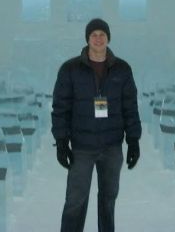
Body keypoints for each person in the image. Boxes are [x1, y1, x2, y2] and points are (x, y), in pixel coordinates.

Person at [51, 18, 142, 232]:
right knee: (75, 200)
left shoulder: (122, 69)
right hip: (82, 147)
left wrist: (134, 140)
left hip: (112, 147)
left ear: (108, 38)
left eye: (102, 34)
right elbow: (60, 108)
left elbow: (130, 107)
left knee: (108, 200)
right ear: (87, 39)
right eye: (94, 35)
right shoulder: (70, 69)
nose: (98, 39)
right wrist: (61, 141)